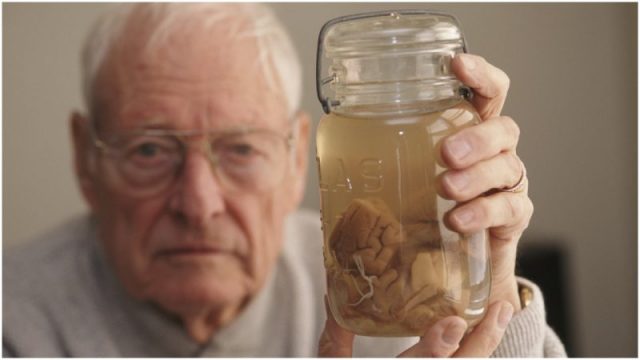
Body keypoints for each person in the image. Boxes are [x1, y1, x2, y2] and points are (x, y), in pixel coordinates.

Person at [3, 3, 566, 357]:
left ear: (301, 156)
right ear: (85, 158)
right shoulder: (15, 326)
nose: (199, 204)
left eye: (242, 147)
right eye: (150, 149)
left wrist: (488, 282)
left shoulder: (385, 285)